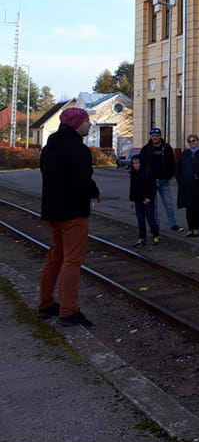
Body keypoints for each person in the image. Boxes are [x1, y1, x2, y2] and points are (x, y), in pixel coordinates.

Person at [38, 107, 101, 327]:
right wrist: (96, 193)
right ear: (76, 124)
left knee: (55, 257)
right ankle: (68, 311)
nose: (89, 124)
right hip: (74, 213)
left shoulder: (49, 148)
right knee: (72, 261)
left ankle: (46, 304)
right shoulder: (78, 150)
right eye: (86, 121)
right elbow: (83, 181)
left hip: (53, 211)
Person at [141, 127, 183, 232]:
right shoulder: (146, 149)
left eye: (157, 136)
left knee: (168, 204)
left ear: (160, 136)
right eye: (153, 136)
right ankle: (155, 226)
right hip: (151, 182)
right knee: (153, 206)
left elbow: (172, 163)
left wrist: (170, 175)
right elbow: (142, 165)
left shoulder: (167, 148)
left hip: (164, 181)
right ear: (151, 137)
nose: (155, 138)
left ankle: (173, 224)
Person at [177, 133, 199, 237]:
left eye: (194, 140)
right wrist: (181, 180)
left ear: (198, 141)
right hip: (186, 186)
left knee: (197, 208)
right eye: (190, 141)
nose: (192, 143)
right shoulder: (185, 154)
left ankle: (197, 228)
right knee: (189, 208)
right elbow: (178, 168)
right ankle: (190, 228)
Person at [128, 154, 159, 247]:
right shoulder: (133, 174)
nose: (136, 165)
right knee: (140, 220)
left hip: (148, 200)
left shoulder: (148, 172)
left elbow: (153, 187)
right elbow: (132, 187)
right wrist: (131, 199)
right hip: (138, 200)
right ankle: (142, 238)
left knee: (150, 219)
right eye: (134, 163)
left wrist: (149, 198)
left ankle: (156, 235)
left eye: (137, 163)